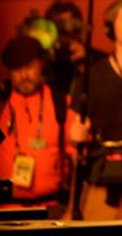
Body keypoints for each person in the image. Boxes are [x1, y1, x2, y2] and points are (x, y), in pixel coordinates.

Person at [67, 0, 122, 220]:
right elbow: (74, 132)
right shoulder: (93, 75)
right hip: (105, 184)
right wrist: (75, 136)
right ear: (110, 28)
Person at [0, 36, 70, 214]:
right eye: (17, 69)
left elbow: (76, 155)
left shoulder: (60, 103)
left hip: (54, 208)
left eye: (30, 67)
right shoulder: (2, 107)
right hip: (5, 210)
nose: (24, 75)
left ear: (41, 65)